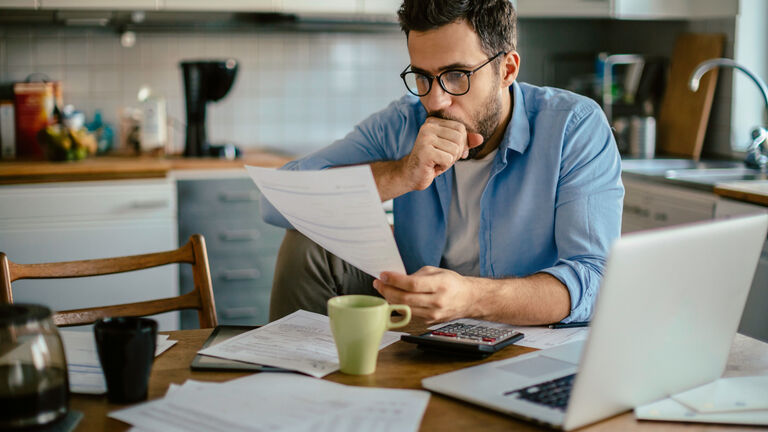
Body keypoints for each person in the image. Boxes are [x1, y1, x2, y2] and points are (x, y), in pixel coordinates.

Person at [262, 0, 624, 325]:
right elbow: (276, 202)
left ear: (508, 70)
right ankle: (299, 388)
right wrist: (401, 173)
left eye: (456, 76)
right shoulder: (402, 123)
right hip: (417, 317)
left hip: (525, 332)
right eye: (422, 76)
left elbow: (596, 279)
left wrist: (470, 298)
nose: (435, 101)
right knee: (307, 241)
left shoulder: (572, 127)